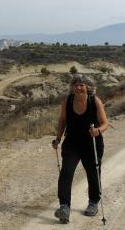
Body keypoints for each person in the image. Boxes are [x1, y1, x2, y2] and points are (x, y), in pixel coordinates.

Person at [51, 74, 109, 224]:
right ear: (72, 87)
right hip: (72, 143)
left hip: (92, 143)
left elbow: (105, 123)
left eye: (82, 85)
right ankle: (64, 207)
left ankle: (94, 202)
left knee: (93, 173)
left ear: (88, 87)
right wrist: (58, 138)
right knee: (66, 172)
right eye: (76, 85)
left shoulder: (94, 101)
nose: (78, 87)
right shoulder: (68, 101)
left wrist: (98, 131)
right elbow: (63, 120)